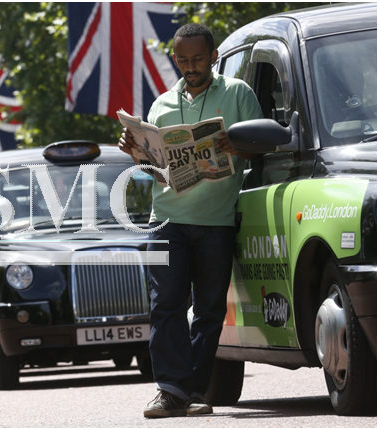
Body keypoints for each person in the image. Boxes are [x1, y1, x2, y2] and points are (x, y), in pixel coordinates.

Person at [118, 23, 263, 418]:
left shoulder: (238, 94)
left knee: (209, 309)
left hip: (216, 221)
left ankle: (194, 391)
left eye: (198, 59)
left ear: (213, 57)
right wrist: (138, 154)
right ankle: (168, 390)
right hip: (167, 219)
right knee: (165, 305)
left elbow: (261, 149)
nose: (190, 66)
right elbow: (156, 169)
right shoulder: (162, 105)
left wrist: (240, 145)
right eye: (182, 60)